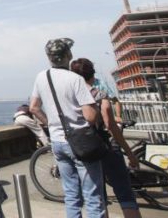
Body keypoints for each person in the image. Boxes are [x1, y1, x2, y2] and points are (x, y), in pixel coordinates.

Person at [29, 38, 105, 218]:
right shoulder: (75, 79)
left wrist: (51, 124)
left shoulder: (42, 77)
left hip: (57, 141)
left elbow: (34, 107)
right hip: (81, 141)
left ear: (49, 57)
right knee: (93, 197)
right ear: (68, 55)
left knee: (71, 196)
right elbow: (90, 116)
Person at [71, 58, 142, 218]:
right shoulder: (99, 94)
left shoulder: (72, 97)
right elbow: (110, 126)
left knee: (98, 199)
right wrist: (129, 153)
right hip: (107, 146)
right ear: (92, 74)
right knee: (125, 193)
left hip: (86, 149)